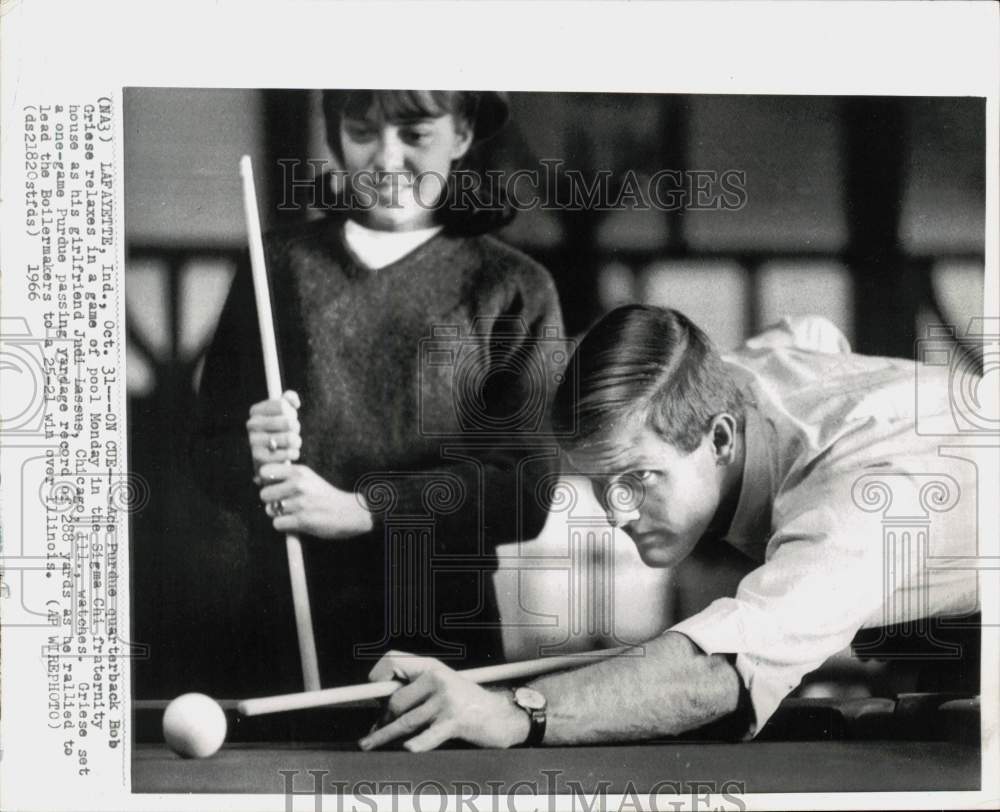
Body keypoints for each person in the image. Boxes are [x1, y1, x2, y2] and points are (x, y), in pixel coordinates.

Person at [358, 305, 981, 751]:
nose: (615, 511)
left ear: (719, 438)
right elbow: (810, 333)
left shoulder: (854, 501)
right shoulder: (732, 377)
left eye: (637, 477)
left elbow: (721, 671)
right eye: (601, 483)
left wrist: (515, 713)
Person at [193, 90, 565, 695]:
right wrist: (251, 450)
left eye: (415, 135)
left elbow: (523, 493)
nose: (386, 160)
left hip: (444, 646)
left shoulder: (515, 286)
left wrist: (363, 508)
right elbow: (206, 458)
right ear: (336, 135)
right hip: (283, 633)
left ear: (463, 133)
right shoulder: (275, 266)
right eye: (363, 132)